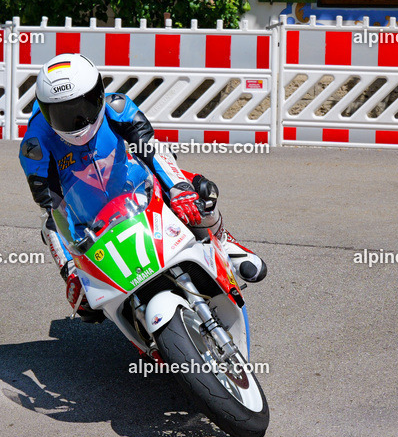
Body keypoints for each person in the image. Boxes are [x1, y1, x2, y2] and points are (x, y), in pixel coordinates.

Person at [18, 53, 266, 321]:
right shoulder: (35, 146)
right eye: (62, 114)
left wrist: (180, 188)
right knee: (86, 307)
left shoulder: (117, 107)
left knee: (201, 190)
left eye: (82, 107)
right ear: (44, 110)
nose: (77, 122)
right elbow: (52, 211)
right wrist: (70, 269)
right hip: (89, 223)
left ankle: (225, 243)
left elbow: (152, 150)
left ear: (99, 94)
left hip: (138, 190)